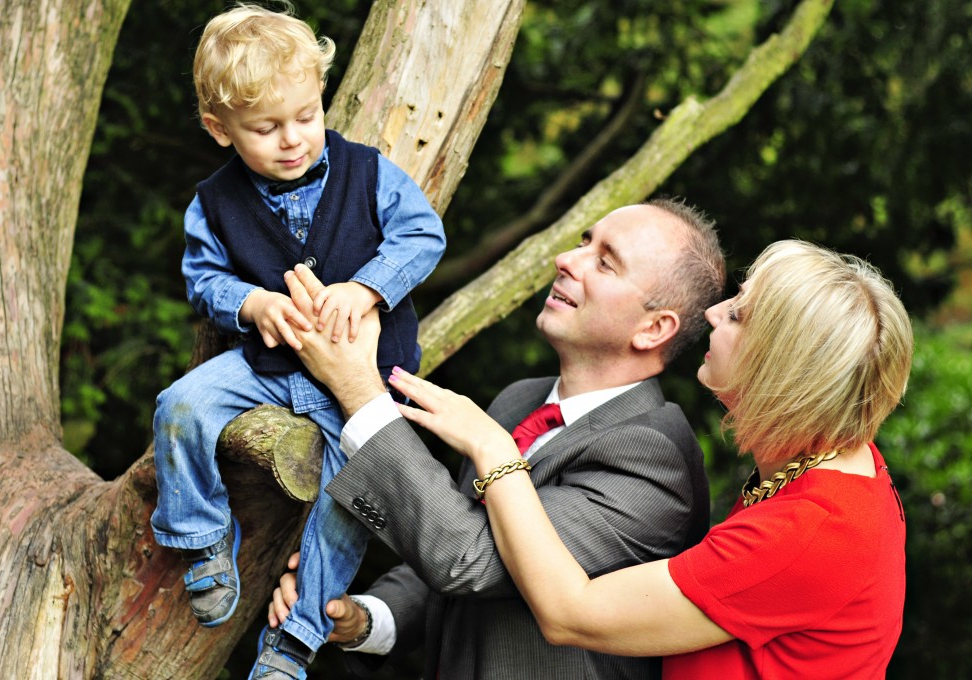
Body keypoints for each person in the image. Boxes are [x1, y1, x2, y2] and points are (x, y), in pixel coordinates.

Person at [384, 240, 913, 679]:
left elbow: (572, 613)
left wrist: (493, 448)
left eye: (738, 315)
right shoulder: (837, 461)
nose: (709, 314)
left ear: (783, 367)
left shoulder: (811, 531)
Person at [273, 200, 726, 679]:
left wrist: (357, 390)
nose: (567, 261)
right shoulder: (520, 399)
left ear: (653, 329)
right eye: (583, 244)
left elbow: (472, 557)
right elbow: (469, 535)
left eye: (606, 262)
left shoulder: (655, 459)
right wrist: (370, 620)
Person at [147, 5, 446, 679]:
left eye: (306, 117)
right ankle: (201, 536)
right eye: (266, 127)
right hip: (263, 365)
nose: (292, 139)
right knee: (180, 406)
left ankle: (296, 640)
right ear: (219, 130)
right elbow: (203, 277)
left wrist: (367, 286)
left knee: (353, 498)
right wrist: (249, 301)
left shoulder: (368, 173)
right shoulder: (214, 202)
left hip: (358, 385)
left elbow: (423, 235)